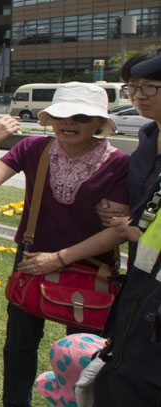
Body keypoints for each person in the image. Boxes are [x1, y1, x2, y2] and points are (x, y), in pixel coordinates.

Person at [0, 82, 131, 407]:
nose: (69, 123)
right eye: (61, 115)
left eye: (82, 117)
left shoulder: (118, 164)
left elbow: (118, 230)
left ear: (100, 124)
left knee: (86, 353)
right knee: (19, 345)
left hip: (90, 266)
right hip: (32, 257)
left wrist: (59, 259)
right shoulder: (34, 148)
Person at [92, 48, 161, 407]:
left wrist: (141, 233)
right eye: (133, 86)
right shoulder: (148, 139)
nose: (139, 96)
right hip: (138, 287)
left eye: (151, 86)